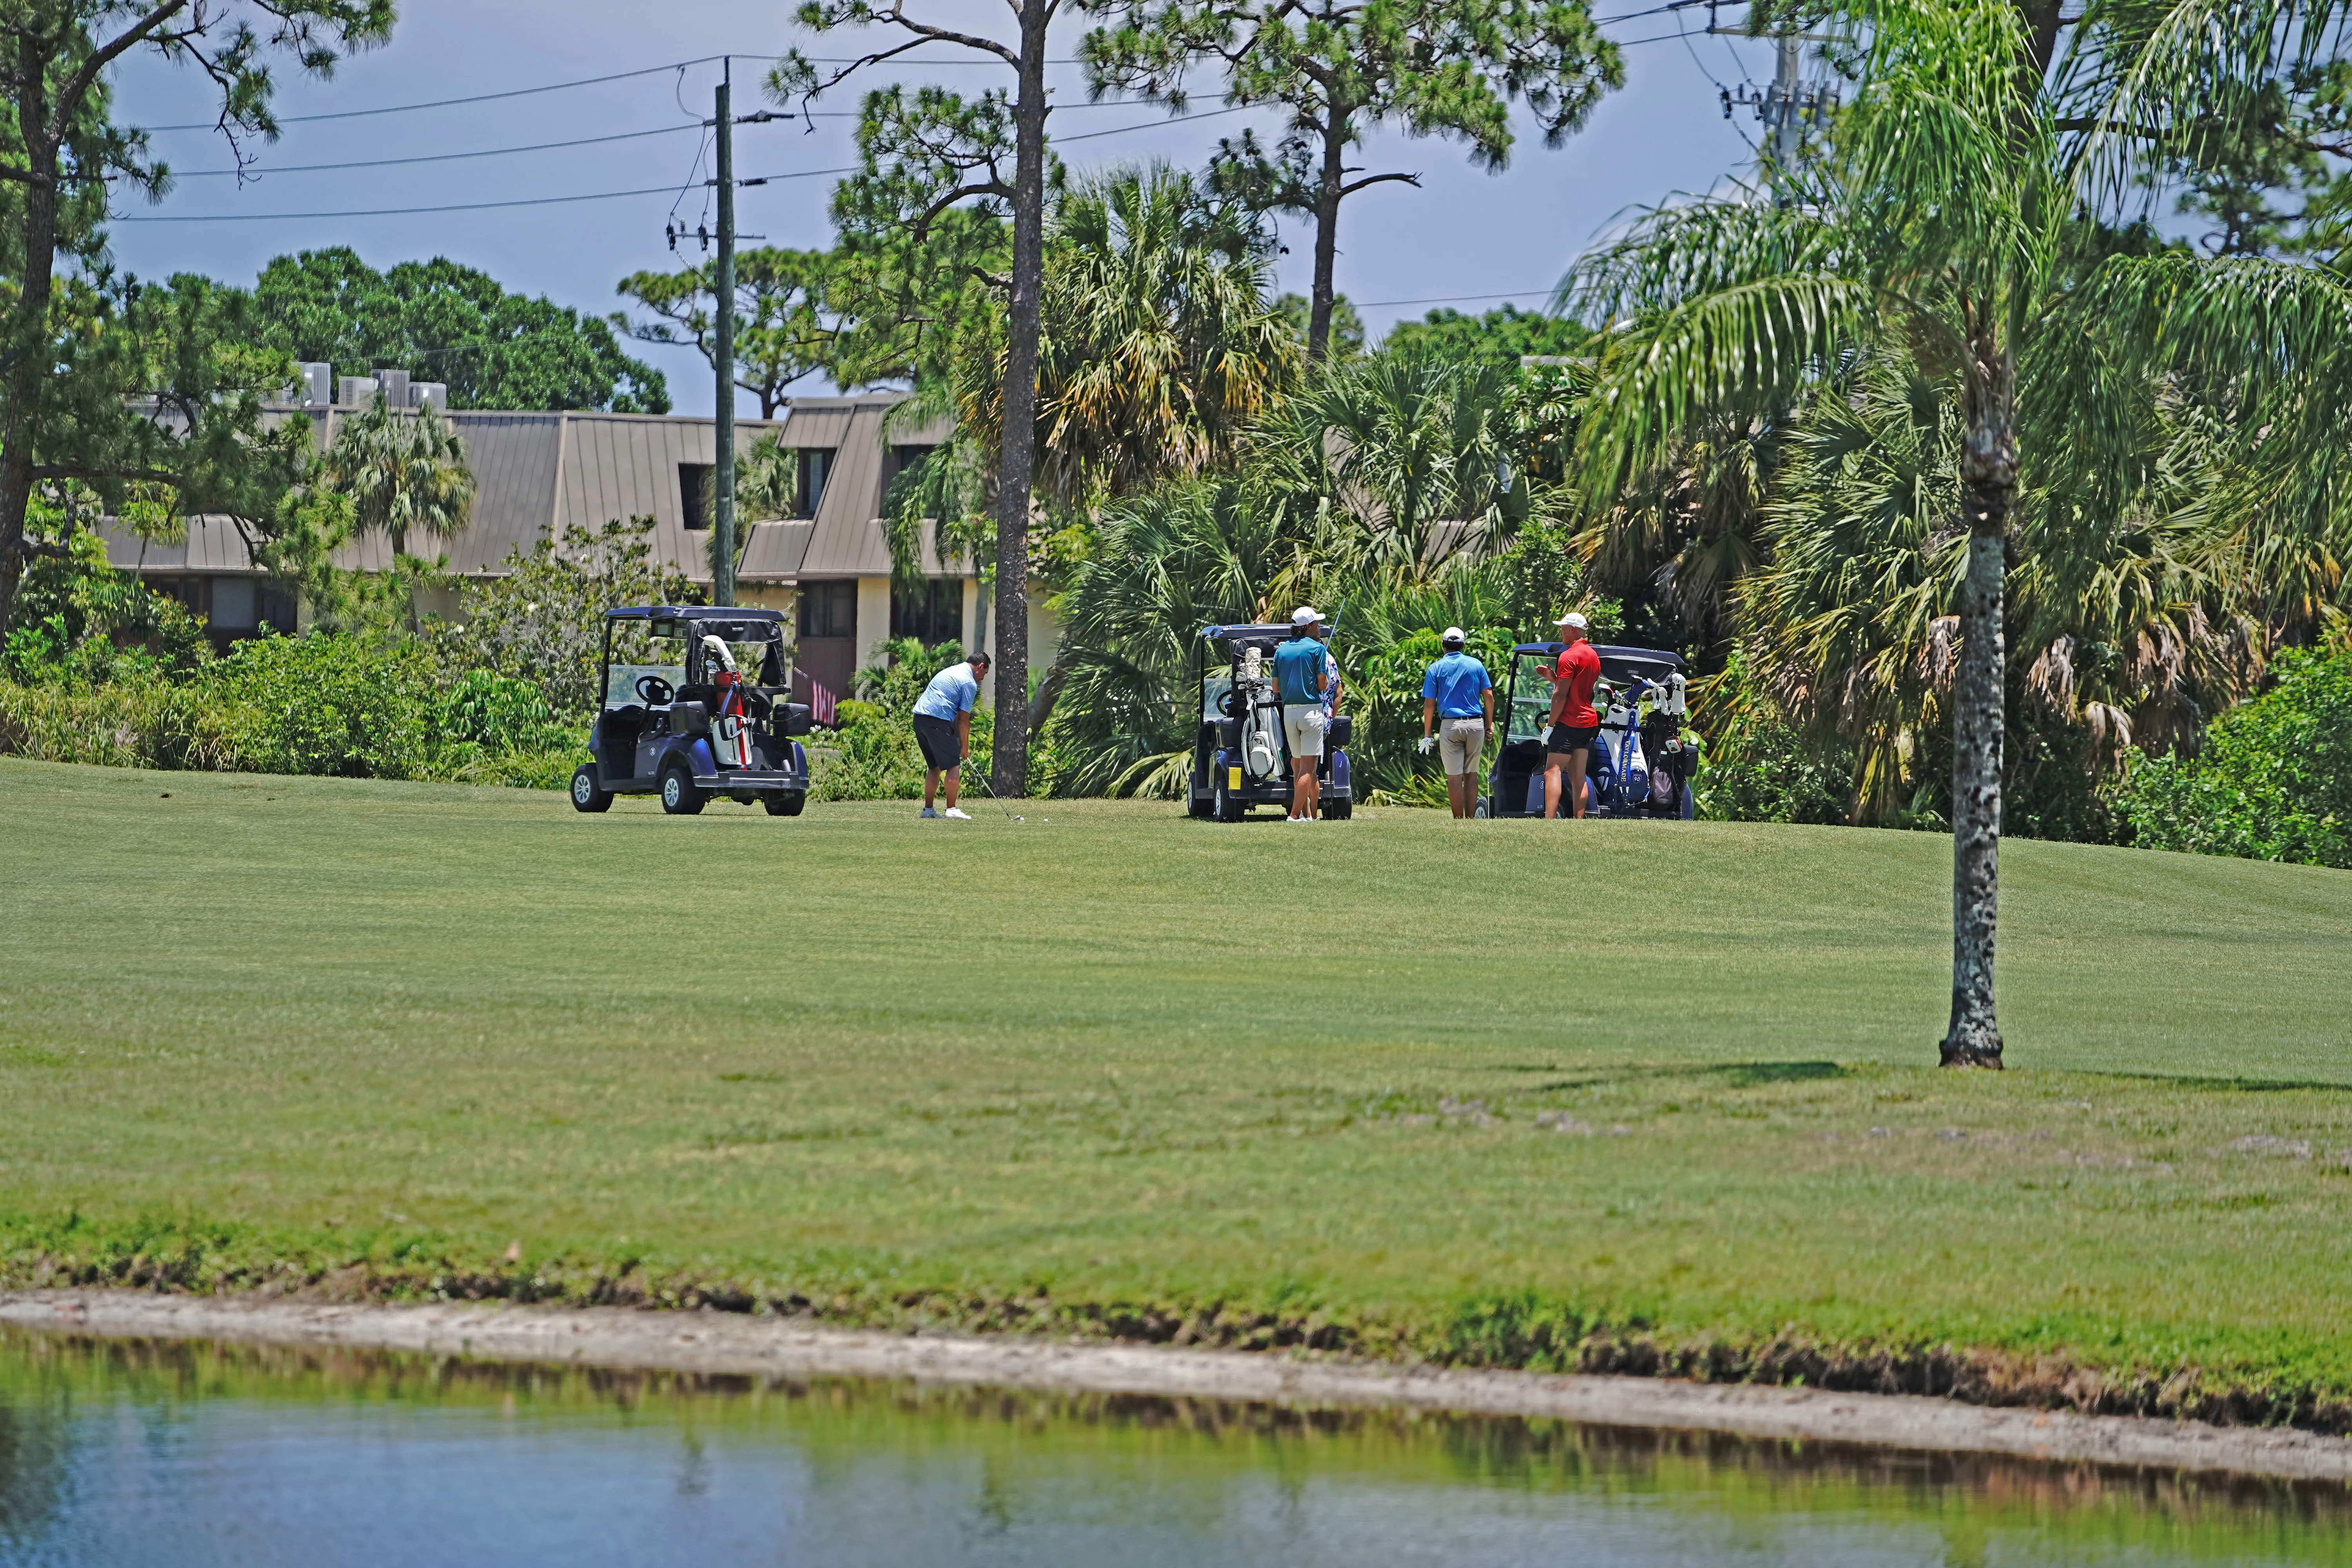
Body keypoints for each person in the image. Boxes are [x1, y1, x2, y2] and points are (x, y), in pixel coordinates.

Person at [1418, 626, 1493, 818]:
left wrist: (1427, 734)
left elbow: (1429, 703)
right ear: (1463, 645)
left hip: (1450, 725)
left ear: (1443, 646)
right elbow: (1489, 696)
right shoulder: (1476, 665)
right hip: (1476, 724)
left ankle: (1458, 820)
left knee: (1454, 776)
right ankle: (1470, 819)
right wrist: (1489, 724)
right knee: (1472, 774)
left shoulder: (1435, 668)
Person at [911, 648, 990, 820]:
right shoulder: (969, 682)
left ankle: (928, 810)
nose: (983, 677)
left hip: (919, 719)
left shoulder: (952, 670)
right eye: (984, 673)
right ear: (980, 666)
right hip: (937, 720)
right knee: (954, 765)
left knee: (935, 767)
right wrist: (965, 747)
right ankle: (952, 809)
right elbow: (963, 719)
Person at [1272, 606, 1330, 821]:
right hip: (1310, 712)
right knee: (1308, 768)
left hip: (1289, 713)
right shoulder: (1317, 649)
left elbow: (1276, 687)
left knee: (1297, 766)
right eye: (1316, 624)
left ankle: (1308, 815)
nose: (1319, 627)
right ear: (1308, 627)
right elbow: (1322, 685)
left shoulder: (1281, 650)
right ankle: (1295, 815)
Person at [1544, 612, 1602, 820]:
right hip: (1587, 722)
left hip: (1568, 721)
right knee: (1579, 776)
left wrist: (1550, 727)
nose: (1561, 632)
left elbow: (1560, 696)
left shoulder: (1568, 656)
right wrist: (1554, 678)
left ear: (1573, 630)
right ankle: (1579, 821)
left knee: (1553, 770)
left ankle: (1549, 821)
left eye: (1563, 628)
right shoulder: (1593, 656)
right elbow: (1579, 689)